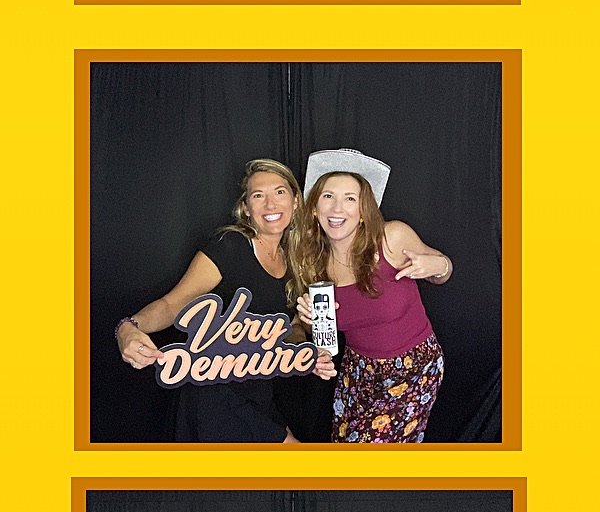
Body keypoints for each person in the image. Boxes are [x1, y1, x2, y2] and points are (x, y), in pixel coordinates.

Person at [116, 159, 335, 444]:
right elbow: (173, 304)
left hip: (259, 395)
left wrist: (304, 353)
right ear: (246, 208)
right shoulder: (230, 247)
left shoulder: (295, 260)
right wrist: (129, 327)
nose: (270, 204)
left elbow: (290, 326)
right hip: (215, 396)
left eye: (279, 192)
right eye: (258, 195)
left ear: (295, 201)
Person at [293, 147, 452, 444]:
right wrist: (310, 346)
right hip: (358, 374)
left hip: (415, 369)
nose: (337, 208)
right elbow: (304, 328)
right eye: (328, 196)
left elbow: (444, 272)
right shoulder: (313, 262)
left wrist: (437, 264)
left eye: (349, 199)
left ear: (364, 211)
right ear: (315, 208)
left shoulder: (391, 238)